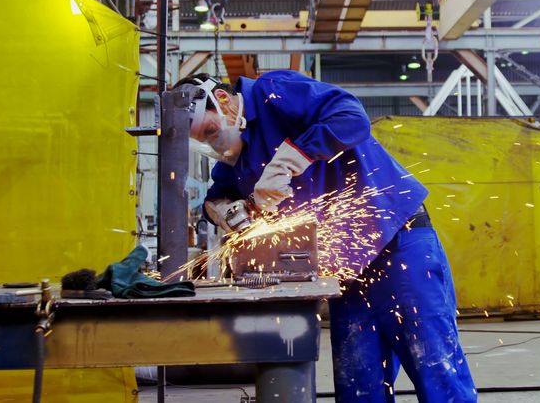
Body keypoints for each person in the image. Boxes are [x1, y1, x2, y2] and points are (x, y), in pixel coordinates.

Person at [176, 71, 477, 402]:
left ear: (222, 101)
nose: (212, 142)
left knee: (437, 374)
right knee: (359, 388)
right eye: (203, 140)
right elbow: (214, 198)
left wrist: (289, 160)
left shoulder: (271, 92)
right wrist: (226, 210)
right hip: (344, 276)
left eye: (211, 131)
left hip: (398, 247)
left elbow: (350, 117)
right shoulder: (237, 159)